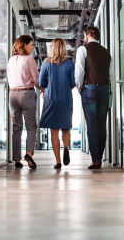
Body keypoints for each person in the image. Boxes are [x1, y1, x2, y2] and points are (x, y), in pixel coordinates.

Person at [75, 26, 111, 170]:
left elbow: (80, 71)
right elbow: (110, 73)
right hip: (104, 88)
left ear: (90, 34)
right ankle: (99, 158)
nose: (84, 38)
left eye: (84, 35)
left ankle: (95, 160)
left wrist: (79, 88)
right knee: (102, 125)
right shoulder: (106, 52)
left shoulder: (83, 50)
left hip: (89, 88)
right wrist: (111, 92)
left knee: (92, 125)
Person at [38, 38, 76, 169]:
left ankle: (58, 161)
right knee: (66, 127)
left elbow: (41, 83)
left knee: (54, 131)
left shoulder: (46, 63)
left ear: (51, 48)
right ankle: (66, 147)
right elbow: (73, 82)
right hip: (66, 98)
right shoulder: (69, 63)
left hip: (51, 99)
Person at [7, 35, 43, 169]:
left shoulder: (11, 60)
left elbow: (9, 77)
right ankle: (28, 153)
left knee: (16, 127)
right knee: (31, 126)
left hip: (13, 94)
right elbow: (36, 80)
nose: (32, 47)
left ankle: (17, 159)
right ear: (24, 45)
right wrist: (43, 89)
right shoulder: (29, 60)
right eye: (30, 45)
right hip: (26, 93)